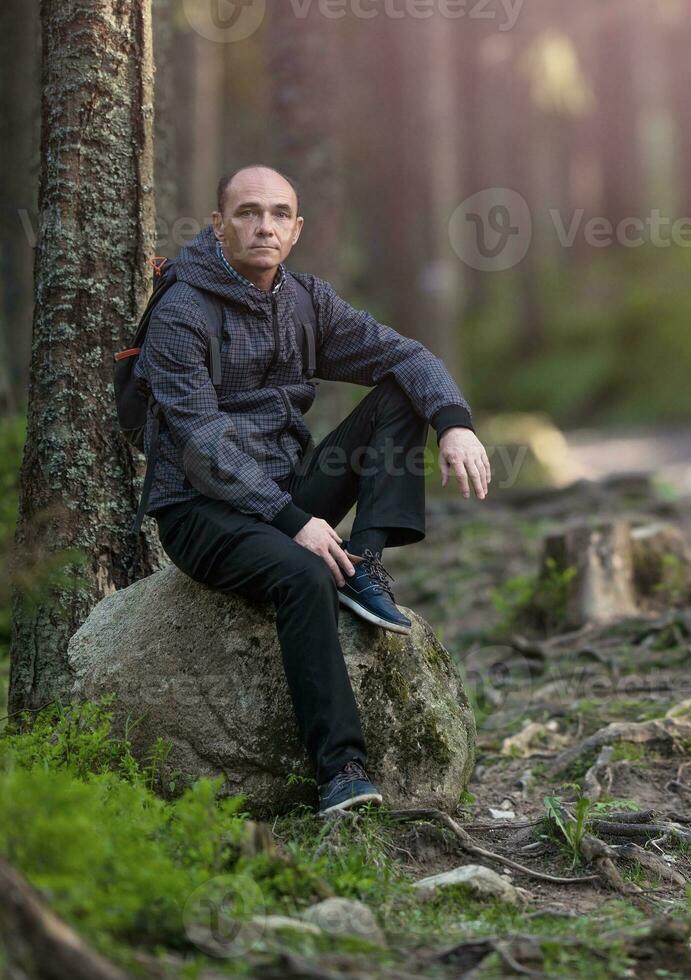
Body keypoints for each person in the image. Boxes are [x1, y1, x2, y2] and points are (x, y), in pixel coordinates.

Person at [137, 164, 491, 814]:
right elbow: (200, 439)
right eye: (247, 212)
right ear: (218, 225)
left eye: (277, 214)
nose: (262, 226)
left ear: (296, 229)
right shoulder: (181, 310)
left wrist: (455, 424)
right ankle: (341, 772)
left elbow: (405, 357)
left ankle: (367, 563)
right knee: (303, 573)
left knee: (400, 395)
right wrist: (294, 517)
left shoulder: (306, 302)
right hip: (199, 508)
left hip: (286, 490)